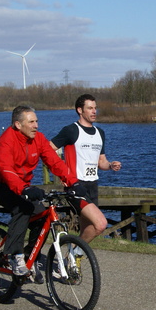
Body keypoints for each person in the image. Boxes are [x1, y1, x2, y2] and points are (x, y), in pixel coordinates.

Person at [0, 105, 89, 280]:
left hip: (22, 186)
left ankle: (29, 256)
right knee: (23, 208)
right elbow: (6, 170)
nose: (36, 125)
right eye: (32, 122)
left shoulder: (38, 139)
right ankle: (15, 256)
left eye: (37, 121)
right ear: (18, 124)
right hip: (0, 186)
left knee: (42, 215)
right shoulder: (5, 142)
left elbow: (55, 162)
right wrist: (24, 189)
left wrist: (73, 182)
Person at [50, 93, 121, 243]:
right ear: (80, 110)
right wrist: (63, 174)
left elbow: (101, 161)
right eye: (90, 108)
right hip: (76, 185)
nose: (94, 111)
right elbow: (49, 150)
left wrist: (110, 165)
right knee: (100, 224)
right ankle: (75, 252)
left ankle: (72, 260)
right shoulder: (71, 130)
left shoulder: (99, 133)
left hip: (92, 185)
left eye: (95, 108)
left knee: (88, 227)